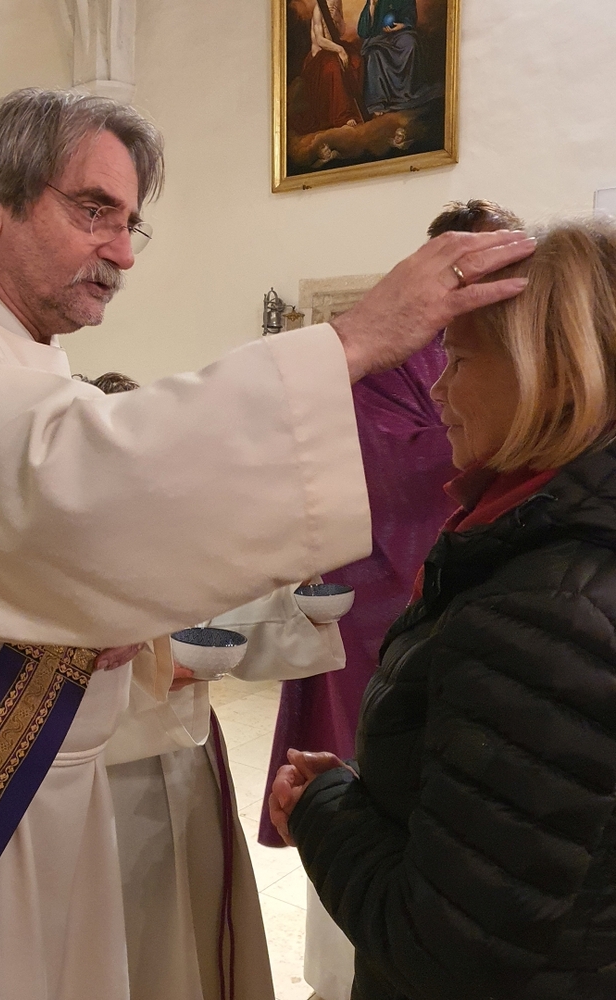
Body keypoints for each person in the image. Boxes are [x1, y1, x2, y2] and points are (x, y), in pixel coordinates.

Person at [0, 84, 534, 1000]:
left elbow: (32, 548)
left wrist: (102, 618)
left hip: (26, 787)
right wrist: (348, 342)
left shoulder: (19, 350)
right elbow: (68, 489)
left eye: (129, 223)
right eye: (92, 210)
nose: (120, 252)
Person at [271, 216, 616, 1000]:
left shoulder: (545, 613)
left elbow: (444, 948)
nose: (436, 387)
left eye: (459, 359)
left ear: (554, 377)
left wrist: (322, 809)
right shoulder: (553, 554)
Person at [259, 197, 525, 1000]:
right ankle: (338, 962)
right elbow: (370, 459)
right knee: (365, 770)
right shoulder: (389, 358)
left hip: (480, 581)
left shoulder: (518, 343)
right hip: (374, 594)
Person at [82, 371, 345, 1000]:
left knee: (196, 924)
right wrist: (144, 674)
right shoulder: (53, 553)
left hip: (185, 755)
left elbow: (221, 623)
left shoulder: (174, 537)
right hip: (103, 770)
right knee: (131, 937)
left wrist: (296, 602)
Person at [357, 0, 440, 117]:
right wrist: (372, 6)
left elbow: (410, 16)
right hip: (378, 37)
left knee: (410, 44)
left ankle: (407, 93)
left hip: (400, 33)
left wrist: (403, 25)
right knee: (374, 54)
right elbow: (363, 31)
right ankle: (377, 102)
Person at [292, 0, 362, 134]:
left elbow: (340, 32)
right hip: (319, 57)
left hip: (333, 50)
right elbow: (320, 40)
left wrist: (337, 18)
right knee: (333, 67)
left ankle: (355, 109)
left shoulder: (337, 3)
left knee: (356, 60)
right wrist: (340, 50)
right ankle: (341, 116)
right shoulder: (319, 8)